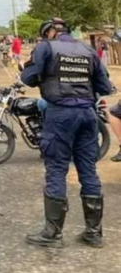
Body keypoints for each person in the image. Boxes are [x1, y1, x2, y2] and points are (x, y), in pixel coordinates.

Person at [20, 17, 113, 249]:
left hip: (61, 114)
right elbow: (104, 86)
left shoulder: (45, 47)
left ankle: (52, 234)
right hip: (87, 115)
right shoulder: (88, 49)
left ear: (51, 31)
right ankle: (93, 233)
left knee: (56, 168)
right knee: (88, 170)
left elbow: (28, 78)